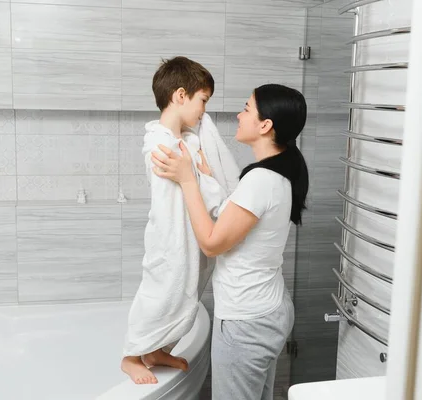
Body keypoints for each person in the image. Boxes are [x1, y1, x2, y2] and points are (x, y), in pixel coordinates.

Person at [152, 83, 309, 399]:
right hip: (267, 308)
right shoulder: (277, 173)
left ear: (265, 126)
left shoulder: (260, 180)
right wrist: (204, 177)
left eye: (247, 109)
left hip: (247, 322)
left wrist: (187, 181)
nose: (239, 115)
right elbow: (234, 215)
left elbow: (211, 242)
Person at [121, 56, 228, 385]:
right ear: (181, 95)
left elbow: (197, 181)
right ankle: (131, 354)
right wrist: (210, 184)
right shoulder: (161, 143)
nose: (204, 112)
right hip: (169, 236)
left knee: (185, 291)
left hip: (187, 234)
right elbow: (188, 185)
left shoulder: (186, 140)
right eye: (203, 101)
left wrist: (202, 172)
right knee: (161, 290)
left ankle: (158, 349)